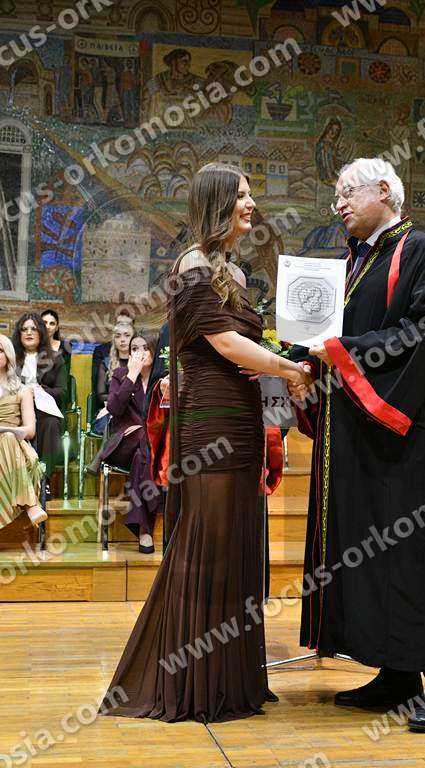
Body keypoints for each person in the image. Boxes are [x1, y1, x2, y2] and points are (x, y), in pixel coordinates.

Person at [100, 162, 309, 724]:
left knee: (236, 542)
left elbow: (246, 345)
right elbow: (228, 345)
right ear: (217, 203)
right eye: (241, 194)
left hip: (240, 420)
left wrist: (280, 359)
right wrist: (290, 369)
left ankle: (230, 680)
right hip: (209, 423)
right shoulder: (192, 265)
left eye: (251, 193)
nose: (251, 203)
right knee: (207, 544)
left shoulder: (232, 271)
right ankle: (194, 683)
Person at [288, 158, 425, 733]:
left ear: (384, 190)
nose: (337, 204)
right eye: (335, 196)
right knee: (376, 555)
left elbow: (422, 335)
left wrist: (341, 351)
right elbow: (333, 341)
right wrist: (307, 362)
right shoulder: (355, 262)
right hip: (359, 432)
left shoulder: (423, 252)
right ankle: (397, 674)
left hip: (407, 432)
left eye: (347, 193)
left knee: (418, 556)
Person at [88, 332, 163, 554]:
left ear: (155, 351)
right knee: (141, 440)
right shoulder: (121, 375)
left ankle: (143, 529)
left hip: (150, 449)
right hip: (123, 444)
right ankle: (156, 505)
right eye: (135, 349)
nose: (140, 353)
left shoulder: (163, 379)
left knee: (142, 455)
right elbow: (114, 408)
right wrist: (132, 375)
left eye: (145, 348)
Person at [12, 313, 66, 491]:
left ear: (41, 333)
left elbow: (63, 393)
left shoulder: (56, 359)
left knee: (51, 424)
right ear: (19, 334)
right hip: (16, 410)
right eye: (24, 329)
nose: (29, 333)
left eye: (33, 329)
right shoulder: (10, 358)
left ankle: (44, 480)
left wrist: (41, 392)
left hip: (44, 411)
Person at [0, 334, 47, 529]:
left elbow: (30, 430)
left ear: (8, 355)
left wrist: (6, 430)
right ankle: (31, 504)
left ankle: (30, 504)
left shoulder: (23, 390)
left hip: (15, 447)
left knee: (7, 438)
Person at [93, 320, 133, 434]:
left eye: (127, 335)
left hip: (134, 410)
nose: (122, 339)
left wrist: (118, 400)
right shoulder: (106, 363)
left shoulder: (139, 363)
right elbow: (101, 396)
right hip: (110, 410)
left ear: (133, 339)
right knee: (109, 423)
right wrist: (117, 402)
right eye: (118, 336)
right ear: (113, 340)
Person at [41, 309, 72, 394]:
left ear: (56, 328)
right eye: (44, 322)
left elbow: (63, 375)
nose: (48, 326)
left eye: (52, 323)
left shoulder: (65, 346)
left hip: (54, 390)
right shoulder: (32, 345)